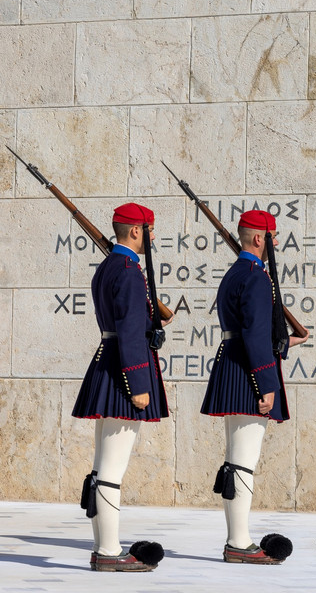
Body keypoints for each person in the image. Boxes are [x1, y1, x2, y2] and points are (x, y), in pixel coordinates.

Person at [201, 209, 308, 564]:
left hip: (233, 364)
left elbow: (250, 331)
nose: (277, 243)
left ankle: (236, 539)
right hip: (250, 373)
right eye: (274, 237)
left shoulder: (235, 273)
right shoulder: (257, 278)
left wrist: (286, 342)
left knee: (236, 461)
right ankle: (239, 542)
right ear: (260, 238)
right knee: (243, 463)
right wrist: (267, 384)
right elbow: (256, 335)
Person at [72, 203, 170, 572]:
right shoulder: (128, 271)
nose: (153, 237)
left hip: (109, 364)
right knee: (111, 470)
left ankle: (104, 548)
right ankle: (110, 552)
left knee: (102, 468)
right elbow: (129, 331)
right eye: (150, 230)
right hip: (124, 371)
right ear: (135, 231)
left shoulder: (109, 267)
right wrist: (139, 384)